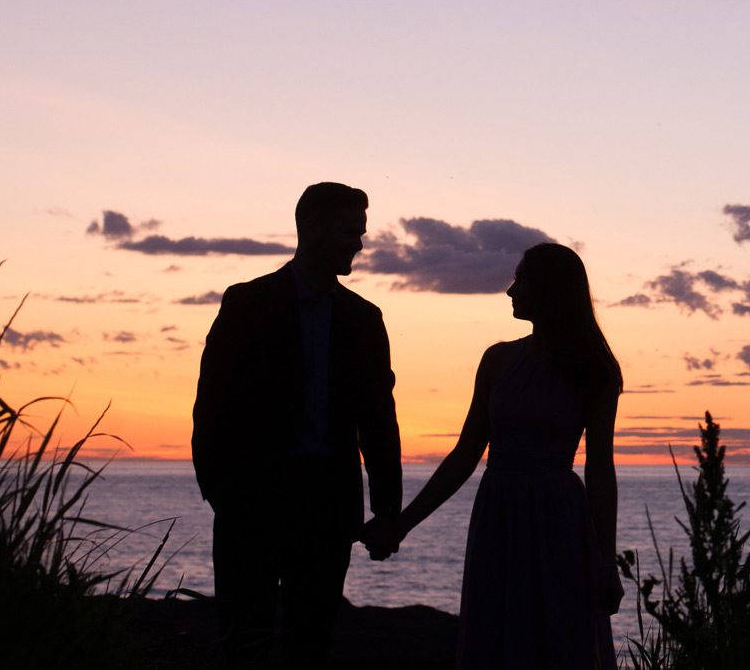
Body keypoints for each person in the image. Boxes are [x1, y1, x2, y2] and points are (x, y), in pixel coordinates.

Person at [370, 242, 623, 669]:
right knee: (496, 635)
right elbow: (465, 454)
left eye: (521, 279)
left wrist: (606, 561)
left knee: (559, 636)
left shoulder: (595, 369)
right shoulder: (497, 360)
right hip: (498, 515)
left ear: (549, 289)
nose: (510, 290)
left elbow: (600, 468)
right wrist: (403, 524)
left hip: (559, 521)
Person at [192, 182, 402, 667]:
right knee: (245, 640)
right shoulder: (246, 303)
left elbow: (378, 417)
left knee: (312, 644)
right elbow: (212, 405)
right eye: (351, 231)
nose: (360, 243)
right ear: (311, 228)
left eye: (362, 232)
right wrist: (220, 492)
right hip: (251, 503)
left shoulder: (364, 319)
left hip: (327, 508)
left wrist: (387, 507)